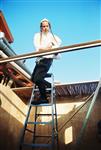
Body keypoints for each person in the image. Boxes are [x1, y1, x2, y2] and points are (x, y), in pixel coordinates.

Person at [31, 18, 62, 104]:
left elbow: (57, 48)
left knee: (38, 78)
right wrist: (47, 48)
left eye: (46, 26)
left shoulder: (54, 37)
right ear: (41, 27)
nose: (45, 28)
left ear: (49, 27)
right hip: (39, 59)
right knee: (33, 78)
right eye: (43, 26)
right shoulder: (37, 35)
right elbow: (38, 48)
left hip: (47, 60)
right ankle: (49, 86)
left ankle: (44, 98)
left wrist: (52, 50)